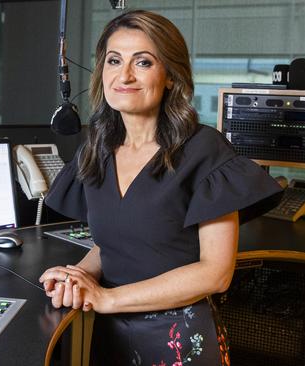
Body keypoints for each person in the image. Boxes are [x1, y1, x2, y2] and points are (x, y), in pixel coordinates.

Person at [38, 10, 283, 365]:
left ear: (170, 76)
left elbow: (216, 274)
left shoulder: (205, 151)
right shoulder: (96, 150)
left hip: (179, 341)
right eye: (114, 60)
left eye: (143, 62)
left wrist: (107, 299)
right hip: (110, 337)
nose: (124, 75)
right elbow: (113, 246)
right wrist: (78, 277)